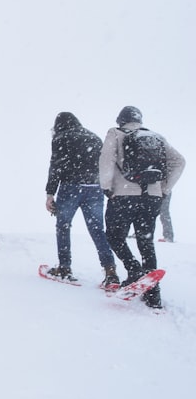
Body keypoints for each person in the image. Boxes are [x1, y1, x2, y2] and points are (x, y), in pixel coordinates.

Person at [99, 106, 185, 309]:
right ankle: (153, 295)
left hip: (123, 195)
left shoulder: (115, 133)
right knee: (146, 242)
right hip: (152, 197)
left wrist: (106, 187)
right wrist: (164, 188)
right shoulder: (155, 136)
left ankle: (134, 269)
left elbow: (106, 161)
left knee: (114, 236)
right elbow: (179, 161)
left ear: (121, 120)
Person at [43, 112, 119, 286]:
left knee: (63, 226)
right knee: (97, 229)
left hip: (71, 186)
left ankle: (64, 267)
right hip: (94, 187)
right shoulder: (93, 137)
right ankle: (110, 271)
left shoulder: (61, 137)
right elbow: (105, 165)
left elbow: (56, 166)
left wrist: (50, 193)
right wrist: (107, 189)